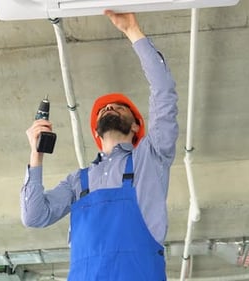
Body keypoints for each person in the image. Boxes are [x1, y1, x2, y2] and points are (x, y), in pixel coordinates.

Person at [22, 10, 178, 281]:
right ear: (96, 132)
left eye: (119, 107)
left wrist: (133, 32)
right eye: (105, 109)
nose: (109, 108)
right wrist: (36, 156)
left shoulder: (152, 156)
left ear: (136, 126)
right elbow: (34, 216)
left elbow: (164, 92)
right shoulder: (77, 182)